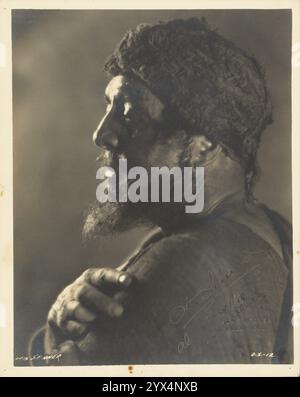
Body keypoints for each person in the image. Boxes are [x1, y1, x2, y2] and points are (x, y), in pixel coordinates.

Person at [29, 18, 293, 365]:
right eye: (107, 108)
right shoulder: (273, 231)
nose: (101, 134)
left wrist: (50, 337)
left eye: (128, 114)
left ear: (204, 145)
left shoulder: (176, 268)